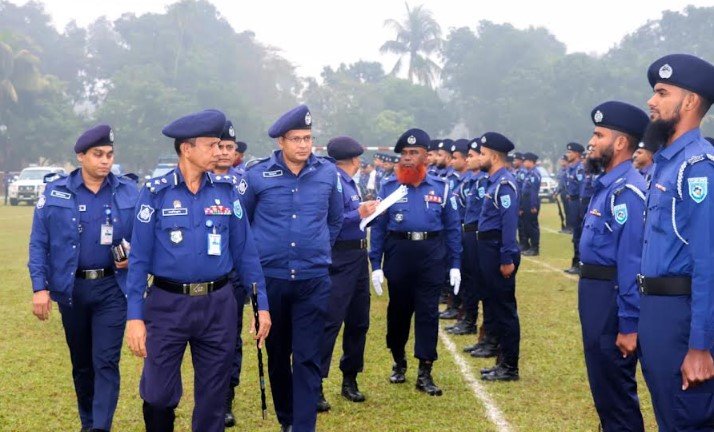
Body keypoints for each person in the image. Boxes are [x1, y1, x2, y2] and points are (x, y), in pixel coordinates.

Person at [124, 109, 271, 432]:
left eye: (221, 145)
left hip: (218, 304)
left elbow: (246, 252)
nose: (220, 152)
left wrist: (262, 307)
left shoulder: (226, 190)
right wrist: (135, 316)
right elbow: (138, 262)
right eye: (211, 145)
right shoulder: (156, 193)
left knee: (213, 395)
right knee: (159, 394)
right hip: (166, 304)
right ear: (186, 149)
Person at [239, 104, 343, 432]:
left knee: (308, 356)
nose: (303, 144)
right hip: (271, 281)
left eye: (308, 138)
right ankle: (286, 419)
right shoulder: (256, 175)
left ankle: (303, 426)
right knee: (278, 355)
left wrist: (318, 246)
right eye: (296, 138)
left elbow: (335, 219)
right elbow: (242, 223)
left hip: (313, 279)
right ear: (281, 141)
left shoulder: (328, 173)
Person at [28, 124, 139, 432]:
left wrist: (136, 253)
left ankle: (100, 428)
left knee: (105, 362)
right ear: (81, 156)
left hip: (112, 288)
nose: (105, 161)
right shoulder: (55, 192)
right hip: (72, 289)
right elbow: (39, 243)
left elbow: (147, 234)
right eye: (98, 154)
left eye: (110, 154)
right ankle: (89, 423)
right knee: (82, 365)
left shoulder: (130, 190)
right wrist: (40, 288)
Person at [638, 53, 714, 431]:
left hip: (682, 315)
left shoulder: (698, 167)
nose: (651, 101)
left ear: (690, 102)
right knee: (669, 415)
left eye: (662, 92)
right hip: (657, 310)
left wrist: (700, 346)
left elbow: (708, 261)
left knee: (688, 419)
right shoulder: (666, 162)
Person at [369, 128, 462, 396]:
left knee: (428, 313)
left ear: (426, 157)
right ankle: (398, 361)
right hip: (399, 253)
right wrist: (375, 264)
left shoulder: (442, 188)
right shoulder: (389, 187)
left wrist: (455, 263)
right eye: (404, 154)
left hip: (431, 254)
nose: (407, 158)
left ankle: (425, 370)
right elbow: (378, 228)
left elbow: (453, 228)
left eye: (414, 153)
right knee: (398, 313)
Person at [579, 100, 649, 431]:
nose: (591, 141)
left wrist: (629, 323)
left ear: (620, 143)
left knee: (616, 391)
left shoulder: (627, 192)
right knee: (604, 388)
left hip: (611, 297)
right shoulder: (607, 187)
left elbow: (632, 261)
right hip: (595, 294)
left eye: (598, 134)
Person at [316, 136, 379, 413]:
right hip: (339, 257)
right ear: (354, 160)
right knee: (330, 321)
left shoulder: (352, 182)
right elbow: (330, 219)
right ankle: (315, 384)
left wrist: (369, 213)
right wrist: (358, 213)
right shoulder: (332, 182)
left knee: (359, 321)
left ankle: (350, 377)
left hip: (358, 255)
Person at [212, 119, 250, 428]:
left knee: (229, 340)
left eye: (229, 147)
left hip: (234, 276)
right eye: (219, 146)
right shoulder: (196, 180)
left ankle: (226, 398)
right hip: (200, 275)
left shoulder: (245, 183)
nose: (225, 153)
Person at [475, 132, 521, 382]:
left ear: (493, 156)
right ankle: (501, 361)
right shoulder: (492, 181)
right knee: (494, 304)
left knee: (504, 309)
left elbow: (508, 223)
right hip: (488, 249)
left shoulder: (504, 184)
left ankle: (510, 366)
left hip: (497, 250)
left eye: (482, 153)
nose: (479, 158)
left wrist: (506, 258)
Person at [564, 142, 585, 274]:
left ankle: (579, 264)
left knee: (579, 234)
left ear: (577, 154)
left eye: (570, 152)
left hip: (578, 203)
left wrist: (581, 207)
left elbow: (582, 188)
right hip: (572, 202)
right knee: (575, 234)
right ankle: (576, 262)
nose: (568, 154)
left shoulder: (580, 169)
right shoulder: (571, 168)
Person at [520, 152, 541, 256]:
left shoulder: (534, 174)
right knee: (526, 225)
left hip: (531, 202)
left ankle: (535, 247)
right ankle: (529, 246)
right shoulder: (528, 173)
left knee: (532, 226)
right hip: (526, 201)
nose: (524, 163)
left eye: (526, 161)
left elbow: (533, 191)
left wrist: (533, 205)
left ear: (531, 162)